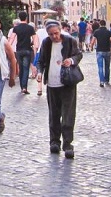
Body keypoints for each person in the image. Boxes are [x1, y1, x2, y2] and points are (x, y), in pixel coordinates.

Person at [36, 19, 82, 158]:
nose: (54, 36)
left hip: (67, 83)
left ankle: (68, 144)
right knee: (54, 115)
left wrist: (71, 61)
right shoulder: (46, 43)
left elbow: (78, 54)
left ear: (61, 29)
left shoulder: (69, 41)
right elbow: (41, 60)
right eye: (50, 34)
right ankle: (54, 142)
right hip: (52, 83)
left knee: (68, 115)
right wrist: (39, 72)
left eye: (56, 33)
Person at [8, 11, 37, 94]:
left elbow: (11, 39)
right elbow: (34, 39)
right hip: (27, 50)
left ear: (19, 18)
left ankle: (21, 87)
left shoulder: (16, 28)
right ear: (26, 17)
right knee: (26, 69)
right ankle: (24, 87)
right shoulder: (30, 28)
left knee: (21, 68)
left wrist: (8, 48)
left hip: (19, 51)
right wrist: (34, 47)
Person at [89, 19, 111, 87]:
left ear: (100, 24)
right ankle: (107, 80)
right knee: (107, 67)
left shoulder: (96, 32)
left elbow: (93, 41)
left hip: (99, 51)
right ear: (105, 24)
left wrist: (91, 47)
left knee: (100, 67)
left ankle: (101, 82)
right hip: (107, 51)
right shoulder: (109, 32)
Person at [34, 21, 49, 96]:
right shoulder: (51, 31)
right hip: (49, 53)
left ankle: (39, 89)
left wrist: (35, 53)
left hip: (40, 52)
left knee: (40, 70)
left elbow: (36, 45)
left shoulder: (39, 32)